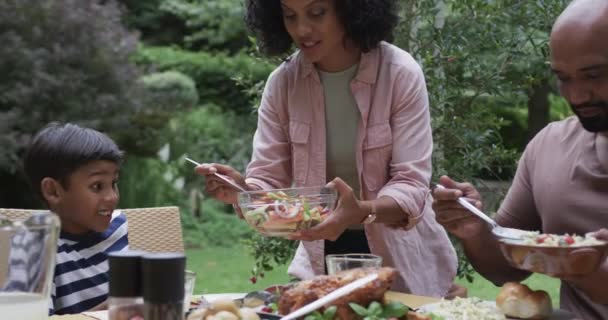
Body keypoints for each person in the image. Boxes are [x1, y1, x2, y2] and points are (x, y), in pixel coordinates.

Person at [196, 0, 457, 296]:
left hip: (403, 260)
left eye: (317, 13)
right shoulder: (283, 84)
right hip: (320, 258)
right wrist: (243, 191)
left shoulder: (400, 73)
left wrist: (360, 211)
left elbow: (411, 184)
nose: (302, 29)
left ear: (350, 9)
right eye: (289, 16)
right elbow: (268, 178)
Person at [432, 0, 608, 318]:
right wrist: (475, 229)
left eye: (594, 75)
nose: (577, 95)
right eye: (564, 78)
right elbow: (505, 269)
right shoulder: (549, 147)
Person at [22, 122, 129, 315]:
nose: (112, 197)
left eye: (113, 183)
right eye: (97, 186)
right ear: (53, 191)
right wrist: (113, 310)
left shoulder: (120, 227)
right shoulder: (34, 249)